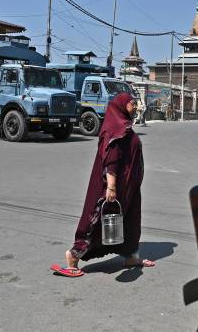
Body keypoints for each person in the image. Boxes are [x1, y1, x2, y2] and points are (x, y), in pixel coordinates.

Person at [58, 93, 155, 277]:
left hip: (129, 188)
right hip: (113, 188)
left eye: (135, 103)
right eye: (132, 104)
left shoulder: (125, 126)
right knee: (96, 220)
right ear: (121, 106)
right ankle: (73, 256)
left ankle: (131, 256)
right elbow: (111, 160)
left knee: (131, 221)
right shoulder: (114, 129)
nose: (135, 106)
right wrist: (111, 187)